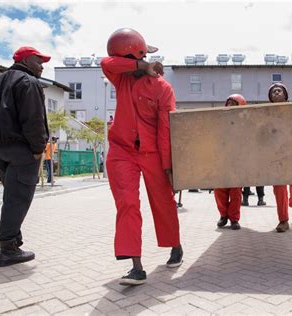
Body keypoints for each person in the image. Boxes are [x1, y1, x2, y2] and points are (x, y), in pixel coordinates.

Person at [101, 28, 183, 286]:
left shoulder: (162, 88)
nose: (131, 67)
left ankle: (175, 245)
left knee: (163, 201)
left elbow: (165, 129)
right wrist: (141, 64)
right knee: (127, 202)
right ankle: (136, 266)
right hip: (122, 151)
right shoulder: (120, 78)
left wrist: (168, 166)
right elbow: (106, 62)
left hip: (153, 154)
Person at [0, 46, 50, 267]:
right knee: (18, 198)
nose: (42, 66)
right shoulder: (29, 83)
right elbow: (34, 120)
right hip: (22, 150)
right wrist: (38, 148)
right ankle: (8, 247)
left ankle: (9, 240)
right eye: (39, 61)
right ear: (26, 61)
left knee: (11, 195)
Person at [268, 83, 292, 232]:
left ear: (285, 95)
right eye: (273, 92)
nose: (276, 93)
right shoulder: (266, 113)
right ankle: (283, 220)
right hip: (276, 156)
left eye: (279, 91)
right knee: (279, 188)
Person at [214, 94, 246, 230]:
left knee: (235, 192)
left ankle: (234, 218)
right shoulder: (219, 120)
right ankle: (223, 215)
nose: (231, 106)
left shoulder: (245, 123)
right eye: (229, 103)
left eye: (235, 103)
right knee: (219, 190)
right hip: (221, 161)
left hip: (238, 162)